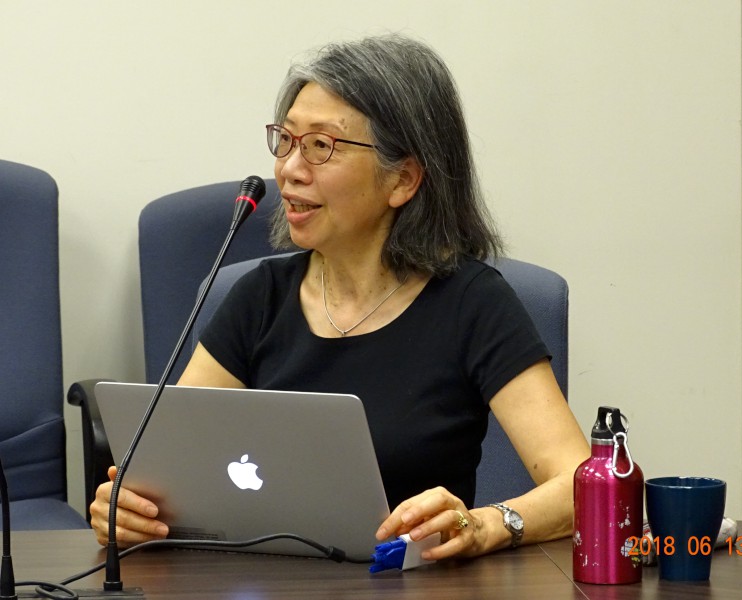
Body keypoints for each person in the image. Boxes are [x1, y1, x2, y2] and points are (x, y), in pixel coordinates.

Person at [91, 33, 590, 562]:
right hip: (258, 582)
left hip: (410, 584)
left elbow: (585, 487)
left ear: (402, 179)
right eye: (286, 140)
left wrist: (487, 524)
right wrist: (127, 509)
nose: (289, 169)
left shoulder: (473, 304)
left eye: (321, 146)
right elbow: (170, 468)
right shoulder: (257, 297)